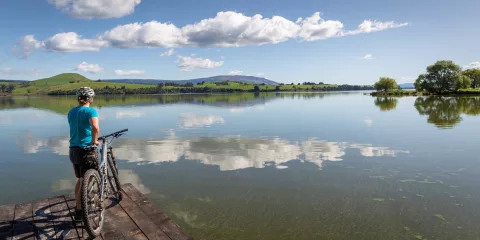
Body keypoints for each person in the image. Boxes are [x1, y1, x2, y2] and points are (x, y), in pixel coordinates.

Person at [68, 87, 100, 220]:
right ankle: (86, 203)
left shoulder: (71, 112)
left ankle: (78, 209)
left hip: (73, 149)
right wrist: (94, 141)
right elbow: (95, 127)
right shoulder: (91, 111)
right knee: (91, 176)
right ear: (91, 99)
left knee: (80, 179)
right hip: (87, 149)